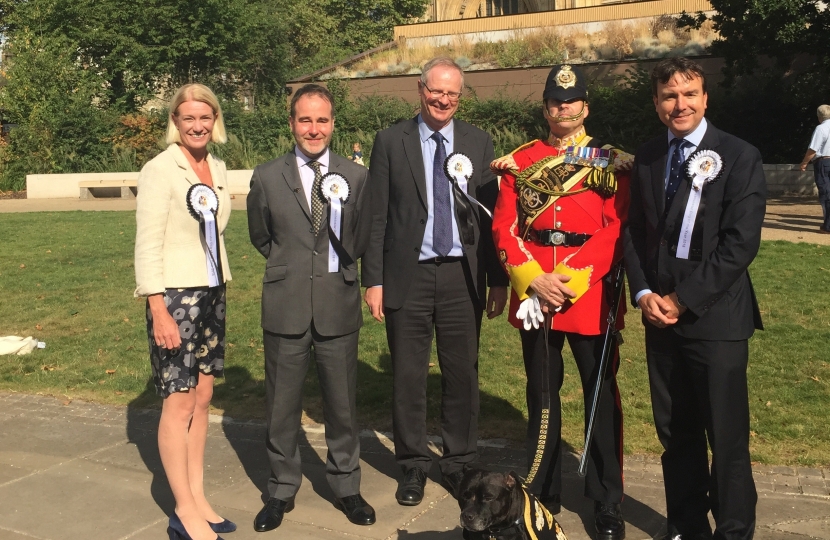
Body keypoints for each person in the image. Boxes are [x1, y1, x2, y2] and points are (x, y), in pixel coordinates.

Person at [624, 57, 765, 540]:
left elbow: (739, 244)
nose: (679, 104)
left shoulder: (740, 155)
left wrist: (682, 299)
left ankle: (733, 530)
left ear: (705, 99)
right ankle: (685, 525)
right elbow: (635, 234)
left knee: (725, 439)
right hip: (659, 319)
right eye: (669, 95)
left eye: (689, 95)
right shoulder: (647, 158)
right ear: (657, 102)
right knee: (676, 434)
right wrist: (643, 293)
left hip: (716, 319)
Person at [490, 64, 630, 540]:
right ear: (545, 107)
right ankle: (542, 494)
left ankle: (608, 500)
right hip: (536, 297)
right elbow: (504, 226)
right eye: (554, 101)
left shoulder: (608, 161)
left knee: (600, 400)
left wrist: (565, 281)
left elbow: (615, 227)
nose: (562, 107)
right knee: (542, 397)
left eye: (570, 101)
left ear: (585, 106)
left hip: (585, 294)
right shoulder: (521, 161)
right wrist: (532, 280)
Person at [362, 57, 509, 506]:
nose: (443, 100)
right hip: (409, 274)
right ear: (420, 89)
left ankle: (460, 462)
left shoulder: (478, 142)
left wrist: (499, 279)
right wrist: (374, 280)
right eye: (436, 91)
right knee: (408, 375)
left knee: (462, 374)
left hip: (462, 277)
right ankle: (411, 464)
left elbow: (492, 218)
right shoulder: (390, 141)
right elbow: (377, 215)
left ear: (460, 96)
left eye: (453, 93)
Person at [247, 83, 376, 532]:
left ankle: (346, 486)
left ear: (333, 123)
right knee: (281, 407)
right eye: (305, 119)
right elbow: (261, 236)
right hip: (285, 306)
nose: (314, 128)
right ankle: (281, 489)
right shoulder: (266, 176)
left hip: (337, 304)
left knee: (342, 405)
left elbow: (361, 237)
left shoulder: (356, 177)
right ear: (292, 124)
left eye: (322, 120)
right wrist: (293, 269)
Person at [134, 83, 234, 540]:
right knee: (177, 403)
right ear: (174, 122)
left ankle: (197, 497)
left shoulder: (218, 166)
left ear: (215, 122)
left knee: (202, 398)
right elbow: (147, 242)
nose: (197, 125)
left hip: (213, 291)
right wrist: (157, 306)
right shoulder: (160, 169)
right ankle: (183, 510)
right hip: (174, 298)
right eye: (188, 118)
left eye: (205, 117)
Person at [799, 104, 830, 234]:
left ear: (819, 117)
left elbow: (813, 149)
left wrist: (804, 163)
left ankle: (828, 225)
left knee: (826, 193)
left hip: (823, 162)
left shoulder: (821, 128)